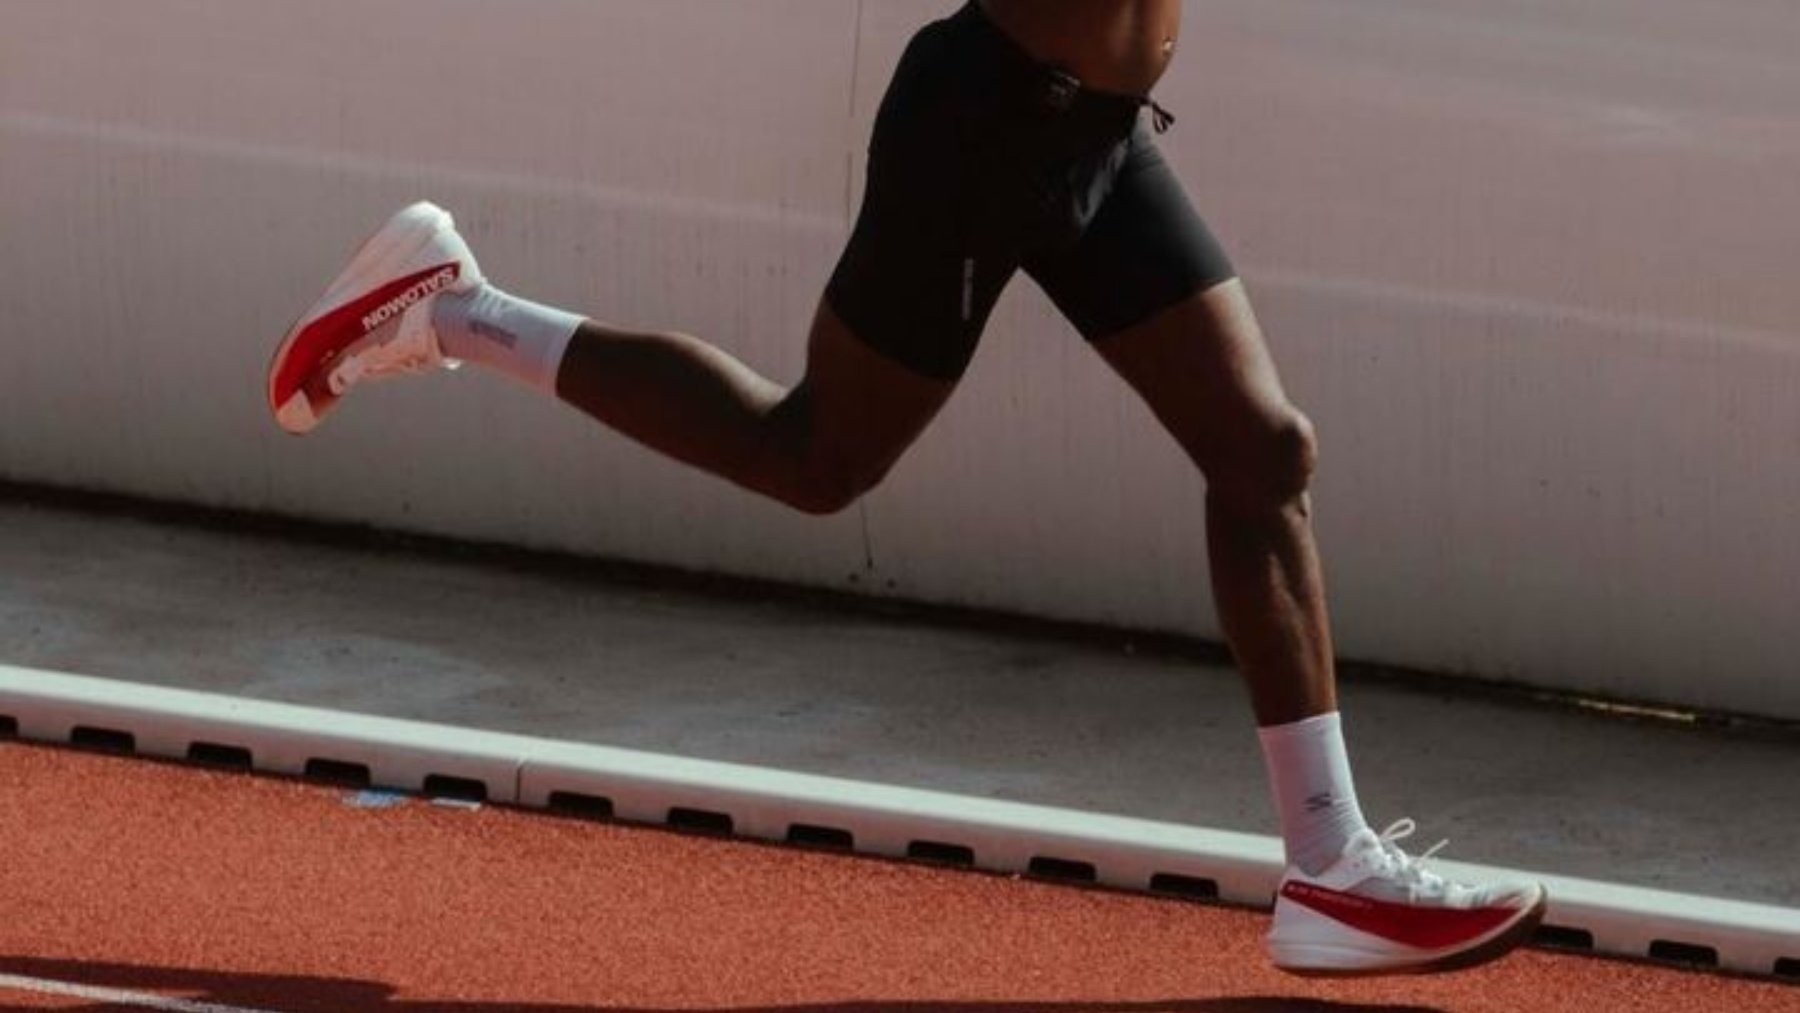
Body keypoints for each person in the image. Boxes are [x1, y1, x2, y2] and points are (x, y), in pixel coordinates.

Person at [267, 0, 1545, 977]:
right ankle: (456, 311)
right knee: (814, 455)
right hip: (983, 127)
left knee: (1264, 450)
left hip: (1095, 140)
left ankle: (1329, 864)